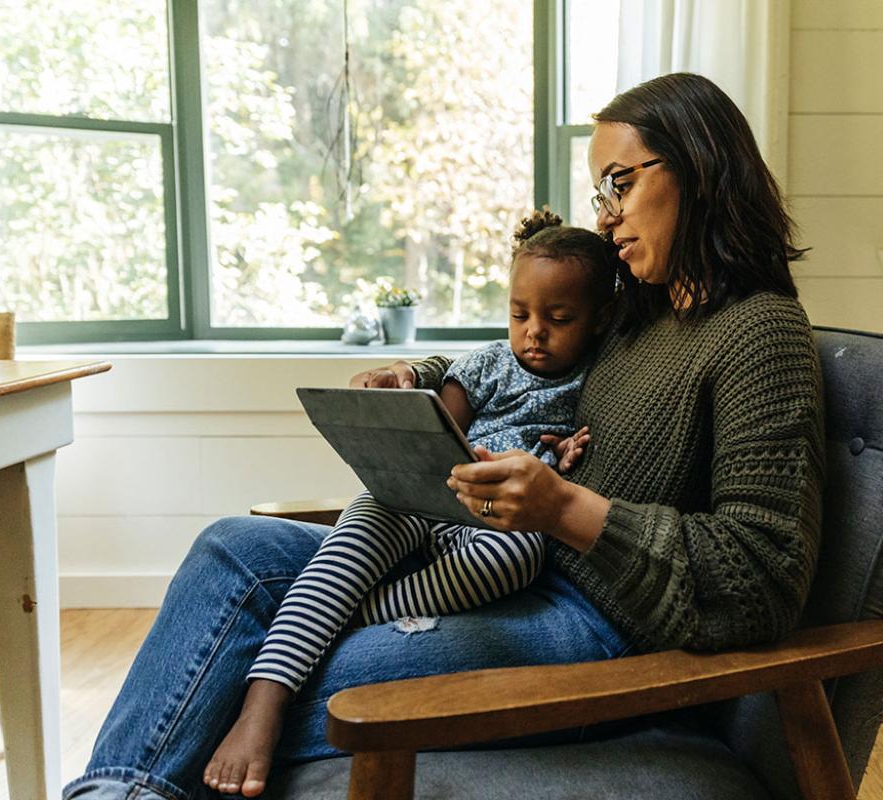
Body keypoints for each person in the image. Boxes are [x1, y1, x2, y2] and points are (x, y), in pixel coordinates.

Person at [64, 72, 824, 800]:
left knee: (286, 670)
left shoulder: (761, 334)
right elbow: (521, 356)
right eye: (600, 193)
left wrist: (563, 509)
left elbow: (760, 581)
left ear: (700, 167)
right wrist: (420, 378)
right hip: (495, 556)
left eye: (620, 184)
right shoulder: (635, 311)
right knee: (230, 548)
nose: (605, 216)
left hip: (598, 620)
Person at [202, 209, 616, 796]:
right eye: (519, 315)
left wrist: (568, 458)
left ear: (599, 319)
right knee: (361, 527)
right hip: (426, 495)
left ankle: (336, 621)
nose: (534, 333)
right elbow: (433, 428)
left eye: (559, 319)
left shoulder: (599, 381)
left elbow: (577, 476)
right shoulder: (487, 364)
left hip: (496, 522)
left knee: (519, 557)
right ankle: (263, 701)